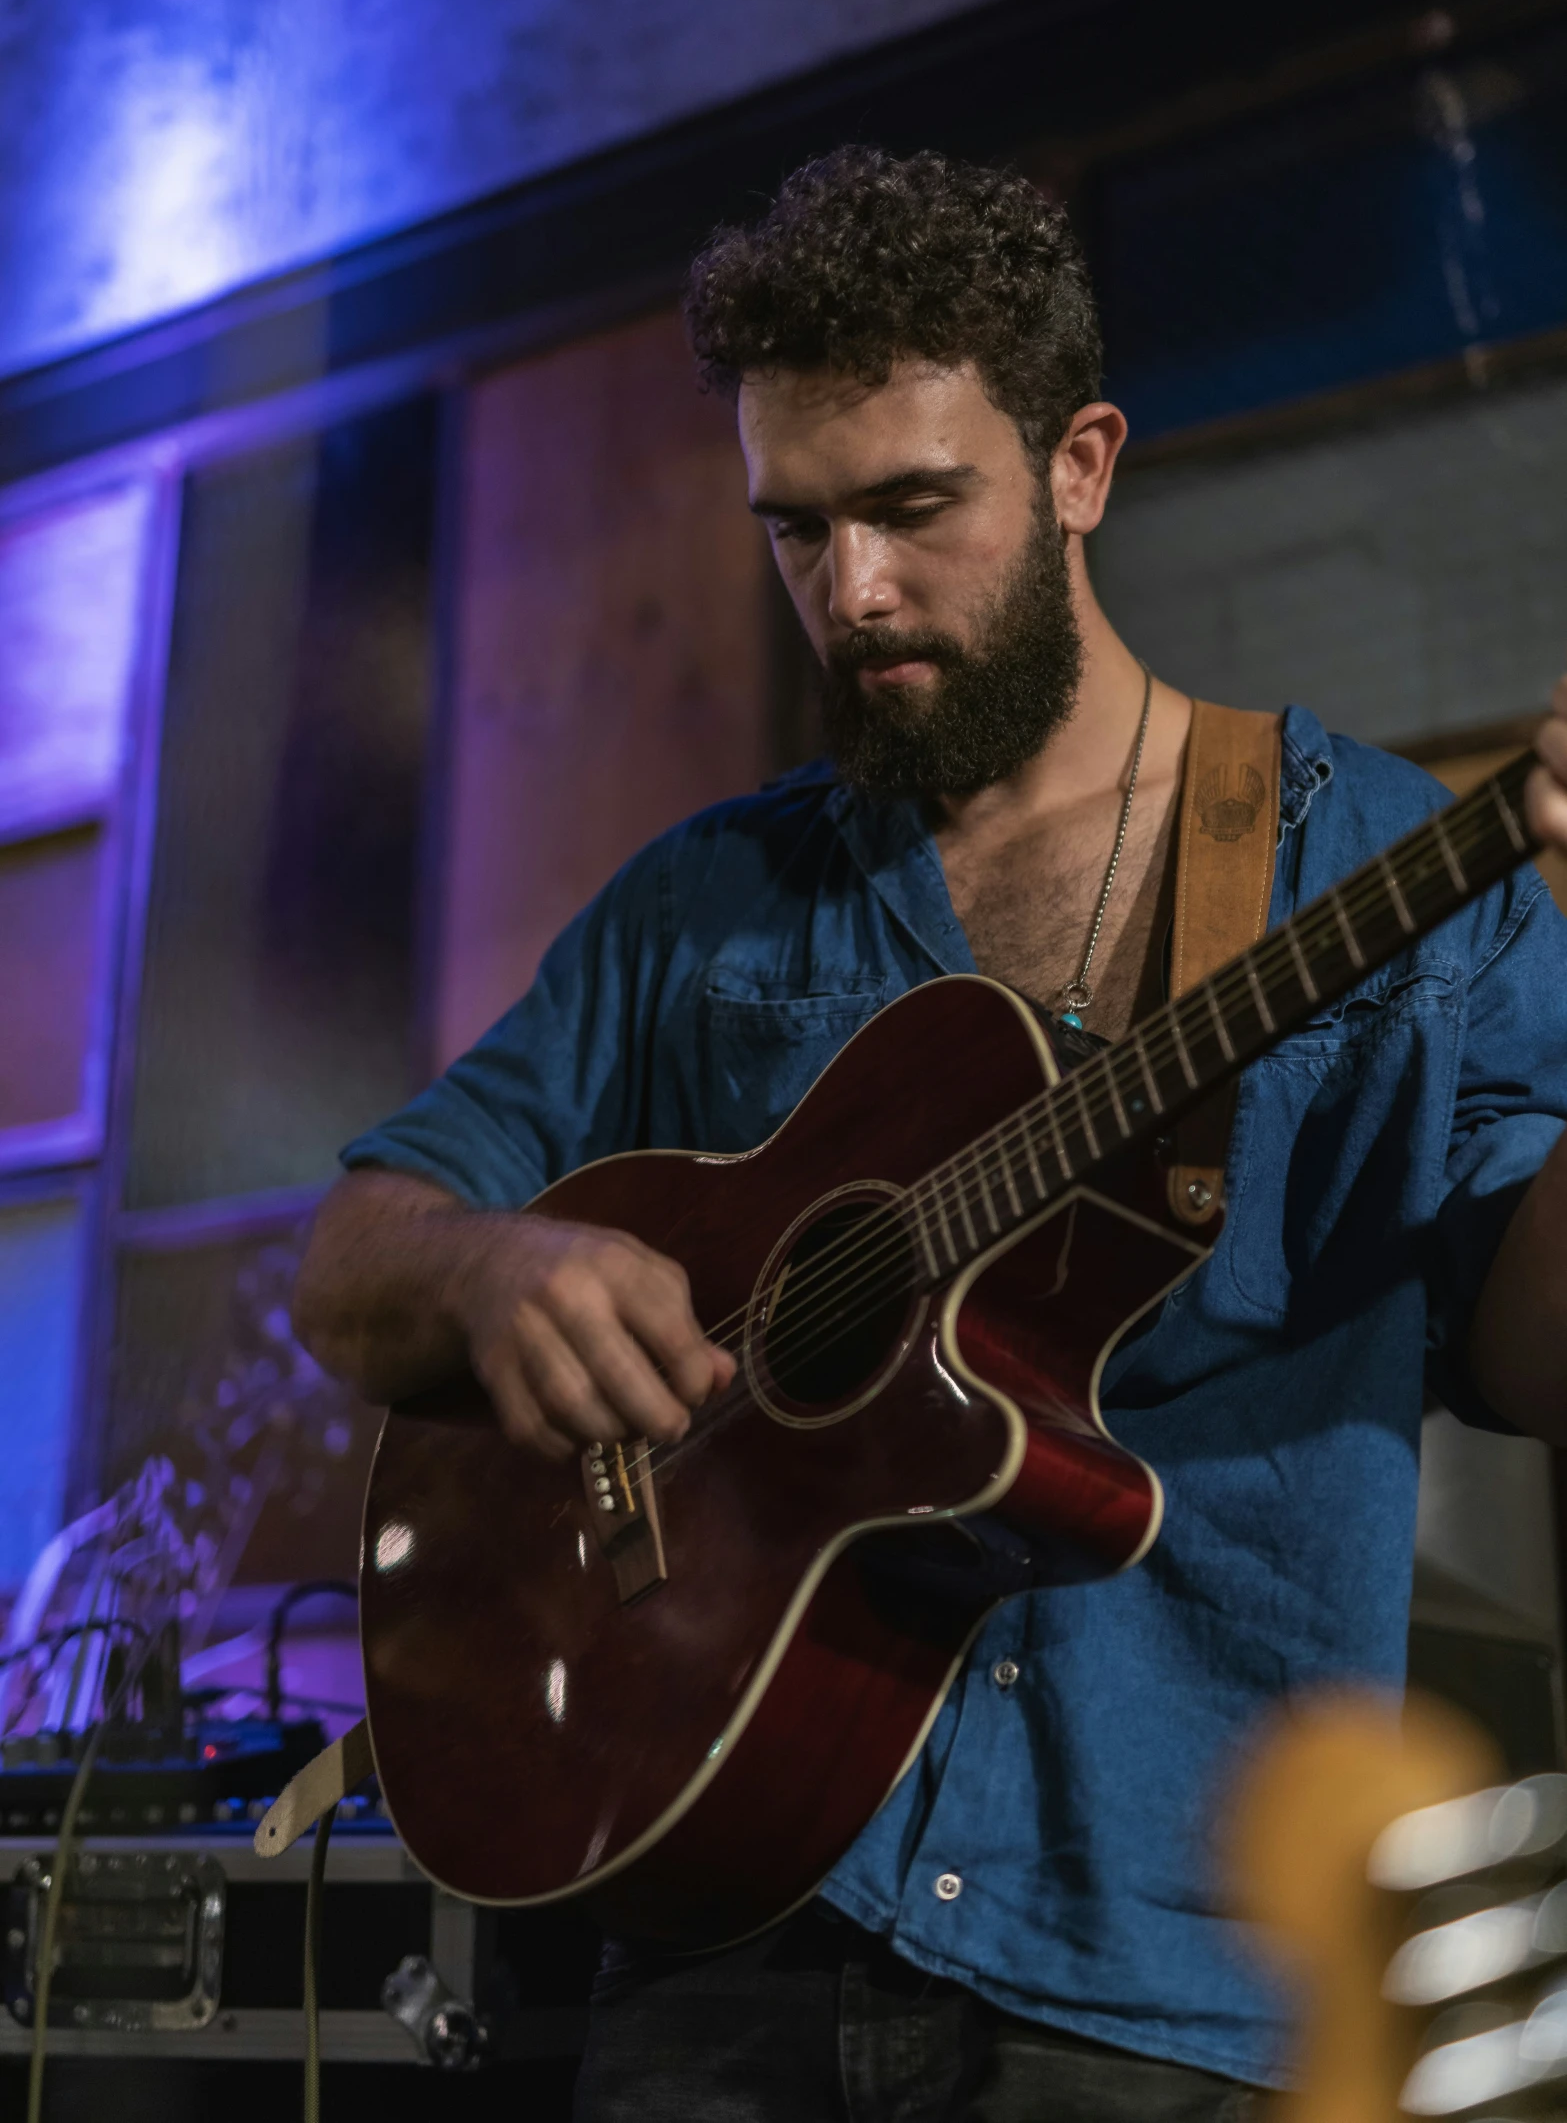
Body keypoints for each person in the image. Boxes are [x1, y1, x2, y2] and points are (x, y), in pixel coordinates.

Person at [293, 148, 1567, 2123]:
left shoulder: (1379, 862)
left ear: (1081, 465)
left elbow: (1538, 1348)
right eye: (794, 527)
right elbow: (358, 1251)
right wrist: (495, 1264)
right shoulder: (705, 901)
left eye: (913, 508)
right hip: (725, 1944)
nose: (853, 591)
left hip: (1166, 1985)